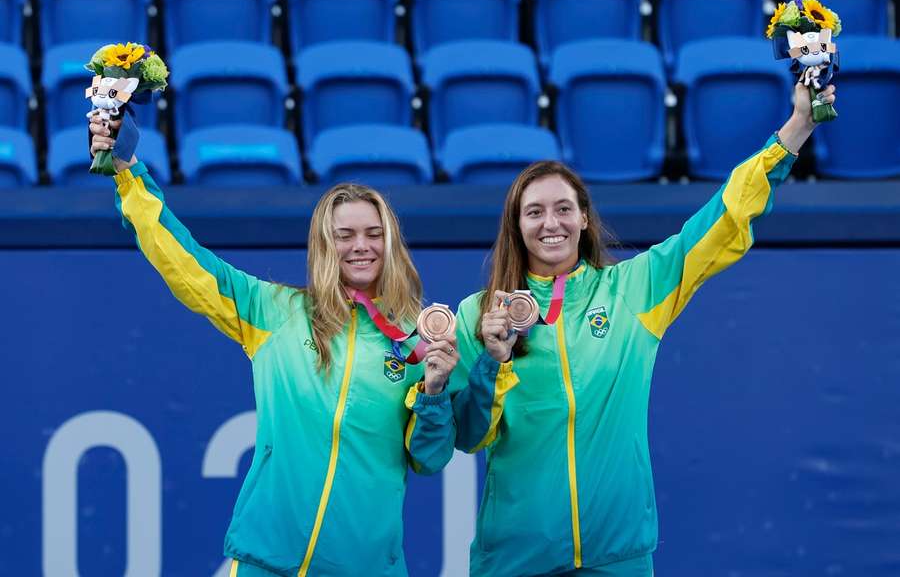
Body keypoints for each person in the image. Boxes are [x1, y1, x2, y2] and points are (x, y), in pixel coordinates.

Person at [450, 81, 838, 577]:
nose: (552, 223)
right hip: (515, 560)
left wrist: (796, 128)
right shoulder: (479, 315)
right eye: (535, 212)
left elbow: (721, 220)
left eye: (564, 208)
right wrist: (491, 361)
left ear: (585, 219)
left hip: (617, 557)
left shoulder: (634, 289)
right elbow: (468, 436)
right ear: (516, 226)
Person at [88, 116, 459, 576]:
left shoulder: (419, 339)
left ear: (391, 242)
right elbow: (184, 261)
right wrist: (128, 170)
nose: (360, 247)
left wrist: (436, 392)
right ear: (325, 245)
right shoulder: (274, 311)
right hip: (268, 562)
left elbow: (430, 457)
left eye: (373, 233)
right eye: (344, 235)